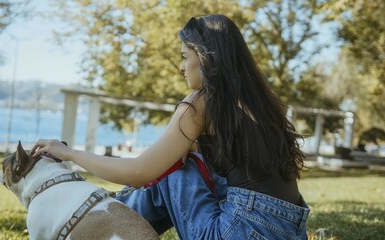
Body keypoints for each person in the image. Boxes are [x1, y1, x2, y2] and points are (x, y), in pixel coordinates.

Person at [31, 14, 310, 240]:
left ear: (204, 57)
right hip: (289, 230)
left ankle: (97, 223)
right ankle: (105, 222)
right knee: (179, 164)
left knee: (174, 172)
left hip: (239, 232)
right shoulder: (260, 104)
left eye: (184, 56)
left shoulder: (200, 103)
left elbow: (139, 172)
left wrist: (68, 154)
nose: (181, 67)